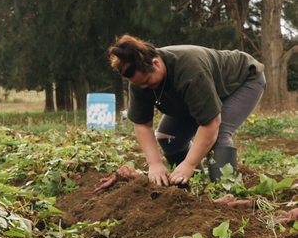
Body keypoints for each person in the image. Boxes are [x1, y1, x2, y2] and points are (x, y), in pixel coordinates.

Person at [108, 35, 265, 186]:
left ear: (156, 63)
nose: (143, 87)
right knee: (168, 137)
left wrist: (189, 164)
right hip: (202, 91)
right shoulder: (139, 81)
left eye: (147, 81)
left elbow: (211, 124)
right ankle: (195, 184)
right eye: (139, 84)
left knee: (219, 134)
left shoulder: (190, 70)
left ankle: (225, 190)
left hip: (242, 81)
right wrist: (154, 164)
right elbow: (142, 124)